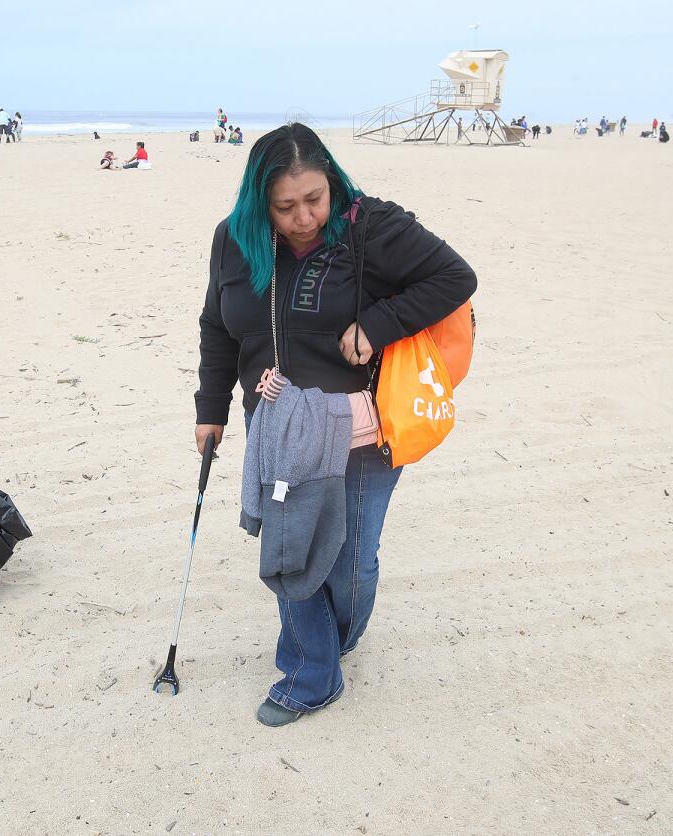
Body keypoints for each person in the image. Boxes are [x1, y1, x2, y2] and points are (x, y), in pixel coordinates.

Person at [194, 123, 476, 727]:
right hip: (278, 422)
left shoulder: (370, 227)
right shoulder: (234, 240)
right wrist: (210, 409)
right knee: (293, 547)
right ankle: (311, 671)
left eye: (314, 199)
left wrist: (377, 324)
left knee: (351, 560)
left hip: (362, 429)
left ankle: (335, 636)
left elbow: (455, 278)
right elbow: (217, 326)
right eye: (285, 206)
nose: (303, 218)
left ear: (332, 182)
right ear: (258, 200)